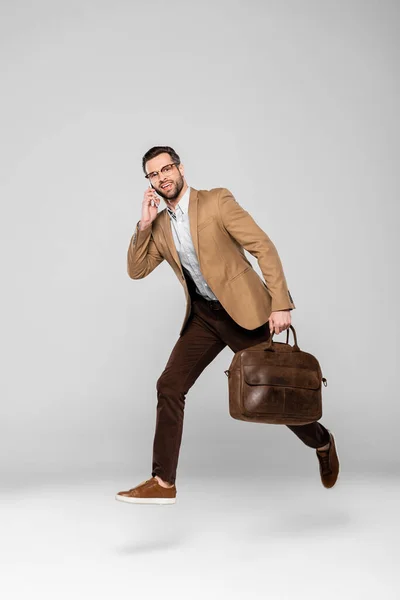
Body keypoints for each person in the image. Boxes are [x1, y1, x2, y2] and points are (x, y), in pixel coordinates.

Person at [115, 146, 339, 505]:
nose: (162, 178)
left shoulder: (216, 201)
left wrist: (280, 302)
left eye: (167, 169)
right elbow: (136, 270)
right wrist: (143, 224)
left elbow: (262, 246)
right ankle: (163, 481)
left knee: (272, 396)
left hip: (244, 312)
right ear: (149, 182)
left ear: (180, 168)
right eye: (154, 174)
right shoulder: (158, 226)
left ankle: (322, 441)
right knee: (169, 386)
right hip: (203, 316)